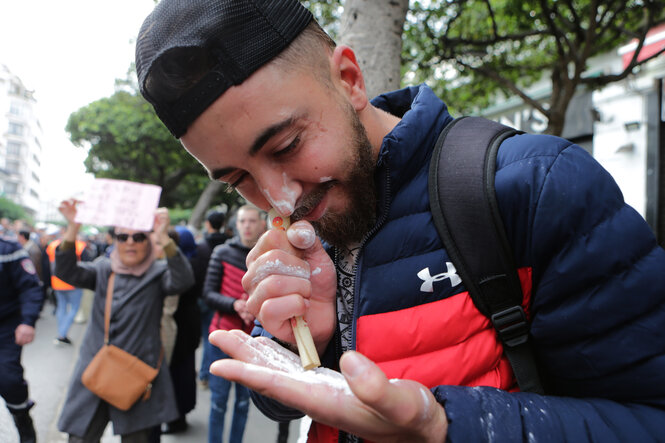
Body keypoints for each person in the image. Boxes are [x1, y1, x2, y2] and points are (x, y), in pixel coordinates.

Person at [134, 1, 665, 441]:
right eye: (237, 180)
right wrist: (310, 346)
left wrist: (443, 425)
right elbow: (292, 401)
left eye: (287, 145)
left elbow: (647, 417)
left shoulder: (535, 186)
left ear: (349, 78)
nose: (279, 199)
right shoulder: (303, 229)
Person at [54, 199, 195, 443]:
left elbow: (183, 281)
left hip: (137, 373)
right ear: (114, 241)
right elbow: (66, 272)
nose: (130, 242)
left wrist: (164, 237)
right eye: (123, 237)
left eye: (139, 237)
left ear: (147, 241)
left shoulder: (158, 272)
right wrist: (73, 228)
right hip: (96, 367)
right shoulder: (103, 268)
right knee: (80, 437)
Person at [201, 205, 265, 443]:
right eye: (243, 221)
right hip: (222, 337)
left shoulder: (266, 256)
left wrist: (256, 310)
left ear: (261, 224)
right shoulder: (221, 252)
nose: (247, 225)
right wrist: (235, 305)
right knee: (218, 402)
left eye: (251, 221)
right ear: (236, 225)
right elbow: (208, 293)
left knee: (242, 403)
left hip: (253, 341)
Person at [0, 237, 43, 443]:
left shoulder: (9, 250)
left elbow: (30, 287)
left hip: (6, 327)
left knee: (8, 378)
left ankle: (22, 419)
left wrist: (27, 321)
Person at [161, 225, 202, 434]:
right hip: (190, 324)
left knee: (177, 375)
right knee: (183, 373)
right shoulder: (194, 259)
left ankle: (177, 419)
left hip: (180, 327)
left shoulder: (183, 267)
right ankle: (179, 416)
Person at [197, 210, 229, 388]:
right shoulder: (228, 244)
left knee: (206, 337)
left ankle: (205, 375)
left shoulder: (201, 246)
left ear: (208, 224)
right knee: (217, 337)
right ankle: (217, 372)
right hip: (223, 297)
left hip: (204, 297)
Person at [46, 233, 89, 345]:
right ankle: (62, 334)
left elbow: (48, 264)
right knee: (74, 308)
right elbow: (87, 265)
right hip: (73, 283)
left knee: (62, 308)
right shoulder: (80, 246)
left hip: (57, 282)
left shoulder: (53, 245)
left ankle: (61, 333)